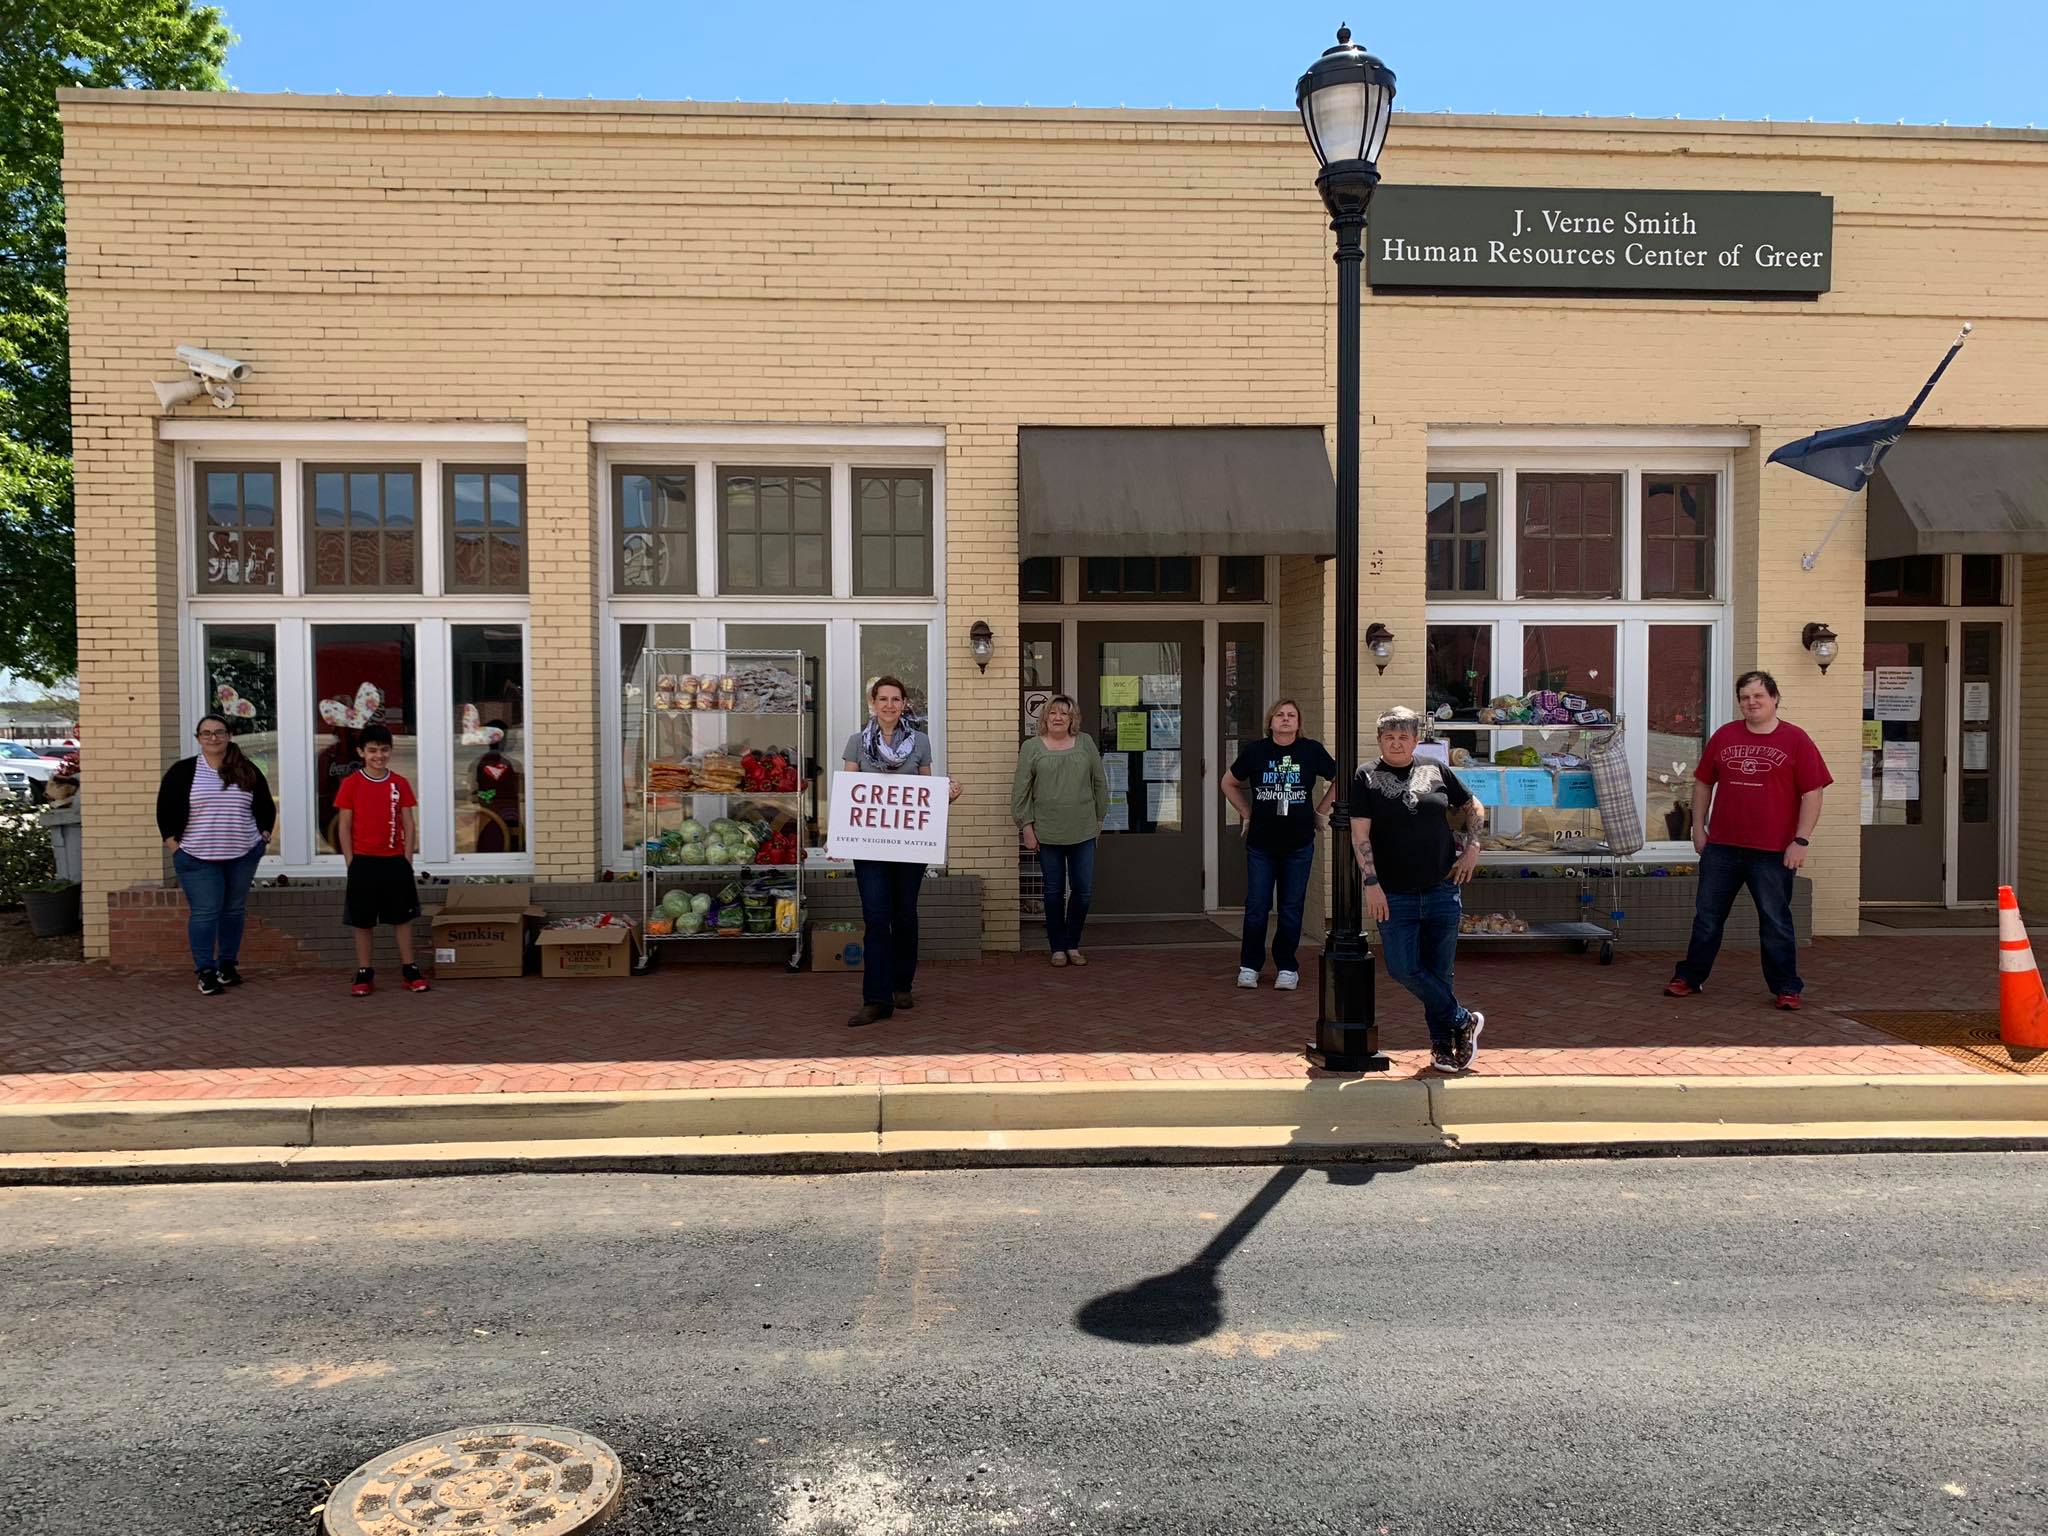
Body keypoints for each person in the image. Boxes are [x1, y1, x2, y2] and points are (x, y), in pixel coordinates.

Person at [1666, 670, 1832, 1009]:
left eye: (1758, 696)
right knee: (1708, 917)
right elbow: (1702, 783)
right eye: (1745, 698)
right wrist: (1698, 828)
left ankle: (1786, 987)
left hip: (1773, 851)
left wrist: (1801, 841)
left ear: (1774, 699)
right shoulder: (1725, 736)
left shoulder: (1796, 740)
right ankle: (1690, 977)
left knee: (1775, 921)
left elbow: (1812, 793)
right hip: (1723, 848)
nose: (1751, 703)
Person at [1350, 705, 1488, 1072]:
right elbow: (1360, 834)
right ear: (1380, 740)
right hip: (1394, 893)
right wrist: (1371, 883)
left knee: (1440, 973)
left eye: (1403, 737)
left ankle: (1443, 1046)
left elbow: (1472, 804)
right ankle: (1463, 1019)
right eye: (1389, 737)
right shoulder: (1365, 776)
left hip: (1442, 888)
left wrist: (1473, 847)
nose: (1396, 743)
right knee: (1403, 968)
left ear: (1414, 740)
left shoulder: (1435, 768)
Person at [842, 676, 961, 1027]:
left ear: (904, 703)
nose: (890, 705)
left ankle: (902, 984)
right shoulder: (856, 744)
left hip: (909, 845)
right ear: (873, 703)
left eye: (896, 699)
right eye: (883, 699)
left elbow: (926, 790)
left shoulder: (920, 742)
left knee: (904, 913)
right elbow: (849, 791)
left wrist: (947, 794)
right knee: (877, 917)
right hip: (870, 847)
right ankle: (875, 999)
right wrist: (840, 837)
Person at [156, 713, 276, 996]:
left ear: (229, 735)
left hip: (242, 854)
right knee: (206, 912)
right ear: (198, 738)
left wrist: (264, 834)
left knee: (233, 911)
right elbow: (165, 810)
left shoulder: (246, 769)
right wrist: (173, 843)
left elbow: (264, 804)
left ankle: (227, 966)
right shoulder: (183, 772)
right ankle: (205, 970)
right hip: (197, 856)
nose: (213, 738)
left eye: (219, 732)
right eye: (206, 733)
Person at [1221, 699, 1337, 991]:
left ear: (1299, 723)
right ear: (1270, 721)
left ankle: (1287, 965)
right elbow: (1228, 782)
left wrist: (1321, 811)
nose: (1285, 719)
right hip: (1262, 844)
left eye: (1291, 716)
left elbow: (1341, 779)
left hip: (1298, 844)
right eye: (1280, 715)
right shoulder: (1256, 751)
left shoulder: (1311, 750)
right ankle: (1250, 965)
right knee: (1258, 906)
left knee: (1290, 908)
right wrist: (1247, 813)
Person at [1012, 694, 1110, 966]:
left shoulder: (1086, 743)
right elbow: (1021, 790)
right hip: (1047, 831)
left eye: (1064, 714)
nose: (1057, 717)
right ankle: (1057, 946)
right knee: (1053, 890)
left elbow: (1099, 782)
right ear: (1044, 718)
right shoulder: (1031, 747)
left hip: (1083, 829)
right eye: (1052, 713)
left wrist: (1100, 819)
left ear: (1072, 719)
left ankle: (1073, 943)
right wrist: (1026, 826)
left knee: (1083, 890)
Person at [334, 722, 430, 997]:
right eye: (373, 750)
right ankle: (365, 971)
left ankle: (409, 968)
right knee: (362, 920)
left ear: (391, 751)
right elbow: (344, 826)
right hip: (363, 861)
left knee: (402, 918)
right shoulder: (351, 784)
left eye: (384, 750)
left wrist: (407, 859)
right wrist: (351, 862)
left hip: (395, 861)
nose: (379, 755)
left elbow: (409, 823)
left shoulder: (399, 783)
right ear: (361, 752)